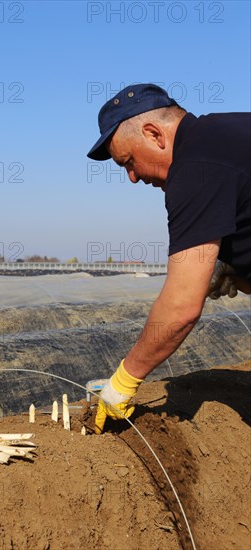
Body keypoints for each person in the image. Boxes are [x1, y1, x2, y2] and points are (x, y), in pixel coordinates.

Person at [87, 83, 251, 434]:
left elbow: (181, 307)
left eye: (129, 162)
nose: (132, 177)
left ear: (153, 134)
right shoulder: (227, 134)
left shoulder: (195, 167)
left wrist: (124, 380)